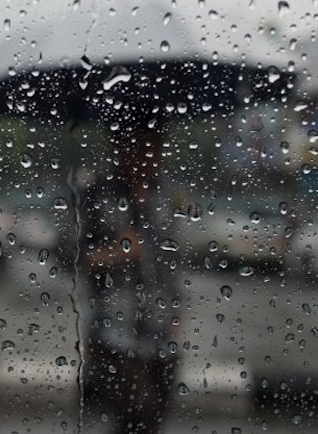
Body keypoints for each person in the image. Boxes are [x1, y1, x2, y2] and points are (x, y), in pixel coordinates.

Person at [80, 125, 180, 434]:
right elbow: (68, 253)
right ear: (119, 147)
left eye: (155, 145)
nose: (147, 155)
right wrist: (116, 252)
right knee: (139, 413)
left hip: (161, 332)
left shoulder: (166, 194)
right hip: (113, 332)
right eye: (138, 145)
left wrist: (179, 313)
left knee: (152, 422)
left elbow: (175, 263)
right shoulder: (97, 192)